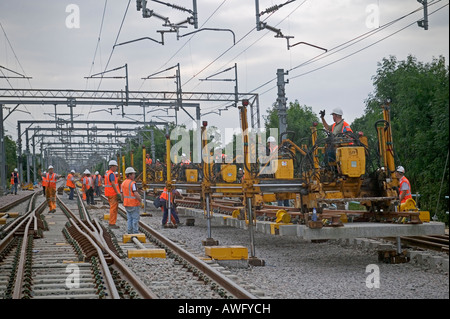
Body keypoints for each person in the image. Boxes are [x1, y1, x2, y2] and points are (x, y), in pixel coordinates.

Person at [121, 167, 142, 234]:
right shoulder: (132, 183)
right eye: (133, 174)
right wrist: (140, 200)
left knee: (129, 218)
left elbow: (122, 194)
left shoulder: (123, 183)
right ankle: (135, 232)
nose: (134, 175)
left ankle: (129, 231)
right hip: (134, 204)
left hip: (127, 204)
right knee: (135, 218)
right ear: (129, 175)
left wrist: (123, 201)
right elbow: (135, 193)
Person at [104, 160, 121, 229]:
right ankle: (112, 223)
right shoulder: (111, 174)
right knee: (113, 209)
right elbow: (113, 183)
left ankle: (112, 222)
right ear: (112, 167)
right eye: (115, 167)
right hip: (112, 193)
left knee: (112, 208)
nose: (116, 168)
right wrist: (118, 193)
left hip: (109, 193)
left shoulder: (107, 173)